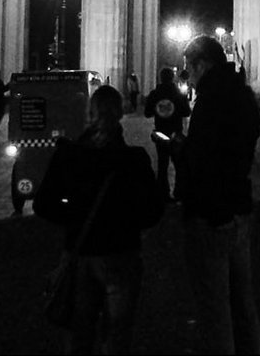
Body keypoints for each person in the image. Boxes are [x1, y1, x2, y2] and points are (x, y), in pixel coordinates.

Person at [35, 84, 164, 354]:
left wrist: (75, 219)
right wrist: (127, 222)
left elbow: (43, 204)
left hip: (80, 255)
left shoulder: (69, 156)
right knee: (118, 335)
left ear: (89, 114)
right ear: (120, 114)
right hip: (122, 255)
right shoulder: (134, 160)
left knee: (80, 334)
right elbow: (154, 211)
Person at [173, 34, 260, 355]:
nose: (187, 76)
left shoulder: (210, 101)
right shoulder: (243, 95)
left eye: (188, 68)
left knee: (215, 310)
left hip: (211, 216)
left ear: (203, 64)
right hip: (239, 207)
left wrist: (179, 151)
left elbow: (203, 163)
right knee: (243, 303)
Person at [145, 67, 192, 199]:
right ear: (173, 78)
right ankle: (179, 193)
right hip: (175, 134)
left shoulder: (155, 94)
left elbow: (147, 113)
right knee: (179, 164)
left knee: (162, 164)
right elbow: (187, 112)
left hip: (160, 134)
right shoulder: (178, 94)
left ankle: (162, 193)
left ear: (160, 78)